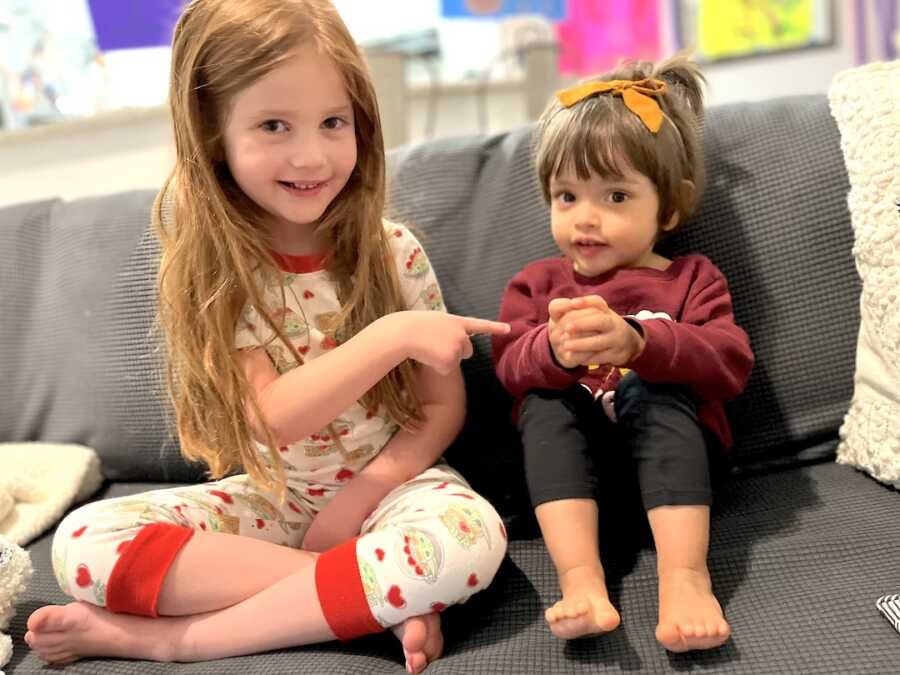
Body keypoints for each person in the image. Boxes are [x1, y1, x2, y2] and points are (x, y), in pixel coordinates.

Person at [25, 1, 510, 671]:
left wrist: (359, 500)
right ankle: (366, 595)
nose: (311, 155)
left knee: (471, 538)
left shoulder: (392, 252)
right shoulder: (218, 278)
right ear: (211, 133)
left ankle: (172, 640)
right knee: (82, 541)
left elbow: (438, 408)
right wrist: (392, 336)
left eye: (333, 122)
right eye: (274, 125)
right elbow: (272, 418)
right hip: (275, 499)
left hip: (397, 489)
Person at [491, 54, 754, 652]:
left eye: (615, 196)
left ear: (669, 207)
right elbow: (507, 367)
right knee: (542, 401)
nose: (585, 218)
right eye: (566, 196)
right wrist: (551, 351)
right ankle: (581, 582)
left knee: (650, 386)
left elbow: (729, 361)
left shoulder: (692, 278)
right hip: (580, 488)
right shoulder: (538, 285)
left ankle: (686, 579)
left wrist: (643, 343)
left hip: (681, 478)